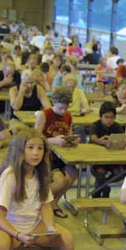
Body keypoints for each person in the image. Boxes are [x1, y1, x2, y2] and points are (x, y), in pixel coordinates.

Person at [33, 87, 77, 217]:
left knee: (72, 175)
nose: (63, 111)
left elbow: (69, 133)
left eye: (66, 108)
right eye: (60, 108)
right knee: (60, 181)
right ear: (53, 103)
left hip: (62, 156)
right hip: (47, 156)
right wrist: (53, 140)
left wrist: (72, 140)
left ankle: (53, 203)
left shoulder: (68, 116)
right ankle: (37, 201)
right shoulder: (44, 115)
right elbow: (35, 139)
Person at [89, 101, 126, 197]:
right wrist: (103, 142)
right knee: (100, 172)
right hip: (98, 160)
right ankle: (103, 188)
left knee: (122, 172)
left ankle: (101, 186)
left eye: (112, 118)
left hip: (114, 160)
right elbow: (93, 138)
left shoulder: (117, 126)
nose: (109, 120)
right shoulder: (95, 125)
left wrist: (123, 142)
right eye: (106, 117)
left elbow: (125, 138)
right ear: (101, 116)